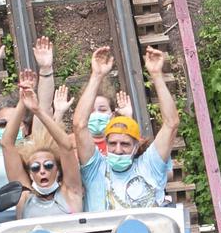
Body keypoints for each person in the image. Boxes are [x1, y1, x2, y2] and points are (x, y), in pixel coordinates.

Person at [72, 46, 178, 211]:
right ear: (106, 145)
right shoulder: (96, 169)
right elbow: (79, 125)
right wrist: (97, 76)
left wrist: (157, 75)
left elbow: (171, 124)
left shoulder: (149, 165)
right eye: (113, 143)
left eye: (125, 144)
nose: (118, 149)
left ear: (136, 147)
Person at [0, 35, 56, 211]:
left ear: (25, 128)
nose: (8, 128)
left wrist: (46, 69)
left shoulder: (35, 147)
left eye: (14, 123)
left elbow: (45, 108)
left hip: (33, 220)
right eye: (2, 124)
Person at [0, 70, 83, 218]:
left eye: (48, 165)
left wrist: (38, 111)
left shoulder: (70, 192)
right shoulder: (24, 197)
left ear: (57, 170)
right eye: (36, 168)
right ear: (30, 174)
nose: (42, 171)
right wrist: (22, 102)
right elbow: (7, 144)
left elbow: (66, 147)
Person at [88, 90, 134, 154]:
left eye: (102, 110)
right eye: (90, 111)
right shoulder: (74, 143)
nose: (96, 114)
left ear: (112, 115)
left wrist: (128, 117)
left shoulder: (120, 142)